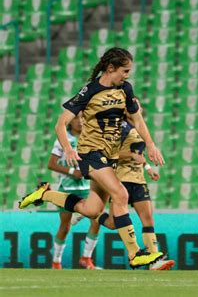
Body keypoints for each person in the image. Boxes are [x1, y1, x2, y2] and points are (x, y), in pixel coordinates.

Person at [19, 47, 165, 269]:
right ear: (110, 68)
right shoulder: (89, 91)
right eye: (124, 71)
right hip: (91, 153)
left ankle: (46, 194)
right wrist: (68, 149)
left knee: (91, 210)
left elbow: (138, 119)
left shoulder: (125, 89)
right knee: (121, 193)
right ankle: (135, 254)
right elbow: (61, 123)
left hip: (110, 156)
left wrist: (151, 145)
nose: (127, 75)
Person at [97, 115, 175, 271]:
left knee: (148, 219)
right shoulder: (119, 127)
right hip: (121, 179)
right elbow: (108, 153)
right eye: (135, 105)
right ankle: (94, 214)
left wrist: (148, 169)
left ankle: (154, 260)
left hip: (139, 180)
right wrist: (131, 155)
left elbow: (138, 153)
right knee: (112, 224)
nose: (138, 108)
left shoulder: (140, 128)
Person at [48, 113, 100, 270]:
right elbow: (52, 164)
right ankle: (56, 262)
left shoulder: (91, 138)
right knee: (65, 227)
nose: (79, 121)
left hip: (87, 189)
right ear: (70, 122)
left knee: (96, 221)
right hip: (68, 189)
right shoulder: (63, 140)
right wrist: (72, 172)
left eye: (82, 118)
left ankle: (86, 258)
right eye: (76, 118)